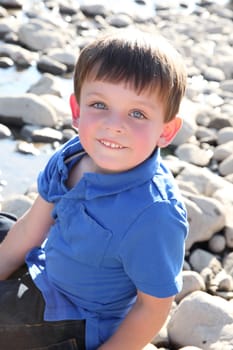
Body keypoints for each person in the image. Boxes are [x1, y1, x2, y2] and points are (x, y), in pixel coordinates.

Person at [0, 28, 188, 350]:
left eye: (137, 113)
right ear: (77, 110)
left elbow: (153, 307)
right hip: (46, 270)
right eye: (99, 105)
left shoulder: (153, 213)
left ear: (166, 131)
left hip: (74, 319)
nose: (114, 124)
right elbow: (33, 224)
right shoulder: (72, 156)